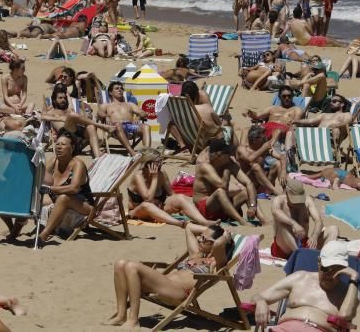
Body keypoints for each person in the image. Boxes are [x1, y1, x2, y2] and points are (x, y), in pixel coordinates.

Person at [106, 223, 234, 328]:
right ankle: (121, 315)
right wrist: (209, 230)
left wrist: (225, 235)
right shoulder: (196, 254)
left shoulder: (217, 263)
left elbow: (218, 244)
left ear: (214, 243)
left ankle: (133, 320)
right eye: (200, 236)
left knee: (131, 266)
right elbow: (189, 227)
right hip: (163, 283)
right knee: (120, 264)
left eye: (204, 239)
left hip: (178, 292)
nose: (200, 239)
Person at [254, 240, 360, 332]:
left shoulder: (349, 292)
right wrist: (260, 302)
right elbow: (258, 297)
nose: (329, 275)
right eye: (325, 269)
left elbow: (345, 315)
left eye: (336, 271)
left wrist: (354, 278)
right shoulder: (300, 278)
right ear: (319, 262)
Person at [30, 131, 94, 244]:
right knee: (34, 197)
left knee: (63, 197)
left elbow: (74, 188)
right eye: (57, 144)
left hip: (83, 206)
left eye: (63, 144)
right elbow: (38, 178)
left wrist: (50, 189)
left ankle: (43, 235)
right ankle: (16, 229)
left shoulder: (78, 164)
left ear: (72, 147)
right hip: (59, 202)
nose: (59, 147)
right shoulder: (53, 162)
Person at [126, 149, 214, 227]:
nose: (161, 164)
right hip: (139, 211)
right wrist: (155, 178)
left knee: (180, 197)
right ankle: (179, 223)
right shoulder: (138, 176)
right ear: (148, 164)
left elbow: (171, 194)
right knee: (147, 205)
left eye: (161, 161)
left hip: (159, 208)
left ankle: (203, 222)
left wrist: (182, 205)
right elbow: (148, 199)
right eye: (158, 162)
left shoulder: (162, 173)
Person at [192, 139, 260, 226]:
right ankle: (241, 221)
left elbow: (248, 183)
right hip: (205, 208)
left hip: (222, 207)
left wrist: (252, 206)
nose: (232, 155)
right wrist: (227, 171)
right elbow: (223, 186)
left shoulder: (227, 162)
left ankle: (264, 220)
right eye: (228, 153)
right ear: (219, 155)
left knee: (246, 192)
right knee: (220, 191)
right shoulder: (205, 166)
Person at [271, 180, 337, 259]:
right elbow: (275, 212)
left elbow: (318, 221)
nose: (297, 202)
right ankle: (301, 255)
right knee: (283, 225)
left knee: (333, 229)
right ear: (287, 194)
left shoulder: (308, 201)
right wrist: (294, 224)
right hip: (284, 247)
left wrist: (314, 236)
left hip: (304, 243)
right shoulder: (279, 200)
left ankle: (325, 257)